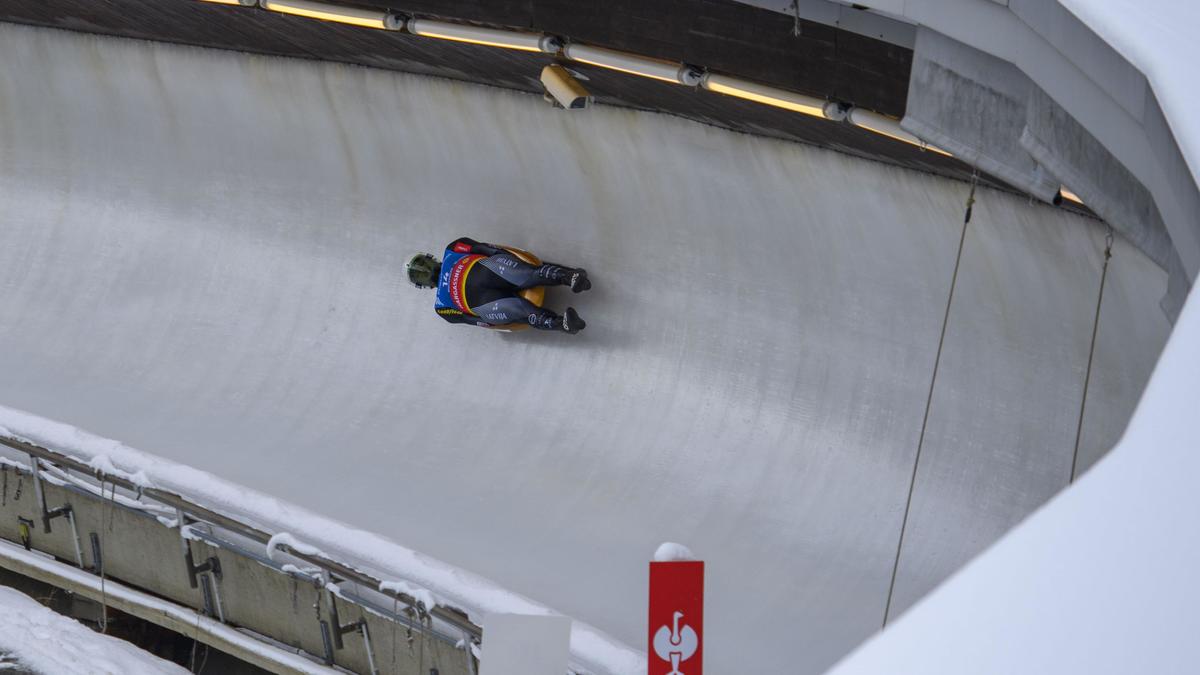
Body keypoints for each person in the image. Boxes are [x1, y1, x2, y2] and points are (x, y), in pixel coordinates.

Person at [406, 237, 590, 333]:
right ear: (422, 285)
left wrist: (504, 257)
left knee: (526, 274)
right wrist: (495, 322)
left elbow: (484, 248)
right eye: (420, 274)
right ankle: (563, 324)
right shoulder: (442, 308)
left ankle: (570, 277)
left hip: (490, 271)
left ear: (430, 257)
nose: (426, 272)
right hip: (486, 302)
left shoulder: (453, 248)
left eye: (423, 265)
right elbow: (473, 320)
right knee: (520, 311)